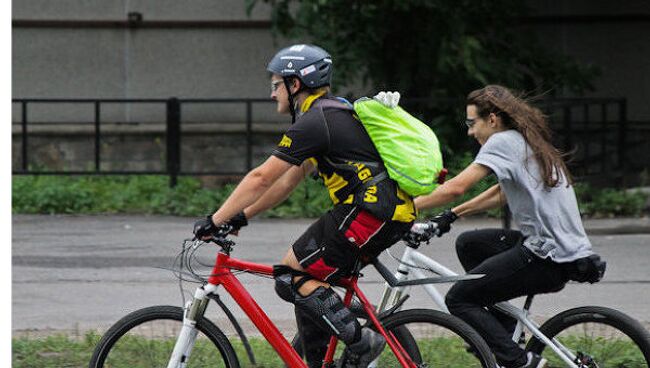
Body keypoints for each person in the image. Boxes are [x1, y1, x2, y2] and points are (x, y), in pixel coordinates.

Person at [193, 44, 416, 368]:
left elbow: (261, 177)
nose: (272, 95)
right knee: (308, 288)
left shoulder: (316, 120)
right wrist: (242, 216)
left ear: (295, 84)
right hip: (384, 213)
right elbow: (287, 181)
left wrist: (214, 220)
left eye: (276, 85)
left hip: (369, 212)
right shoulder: (334, 110)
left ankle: (361, 343)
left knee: (289, 274)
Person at [414, 85, 595, 368]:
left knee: (460, 300)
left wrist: (404, 207)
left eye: (472, 123)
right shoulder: (522, 141)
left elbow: (456, 187)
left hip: (547, 256)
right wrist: (451, 216)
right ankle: (506, 333)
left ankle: (519, 362)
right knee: (470, 244)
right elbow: (501, 193)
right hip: (560, 248)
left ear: (493, 119)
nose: (470, 132)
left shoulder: (503, 142)